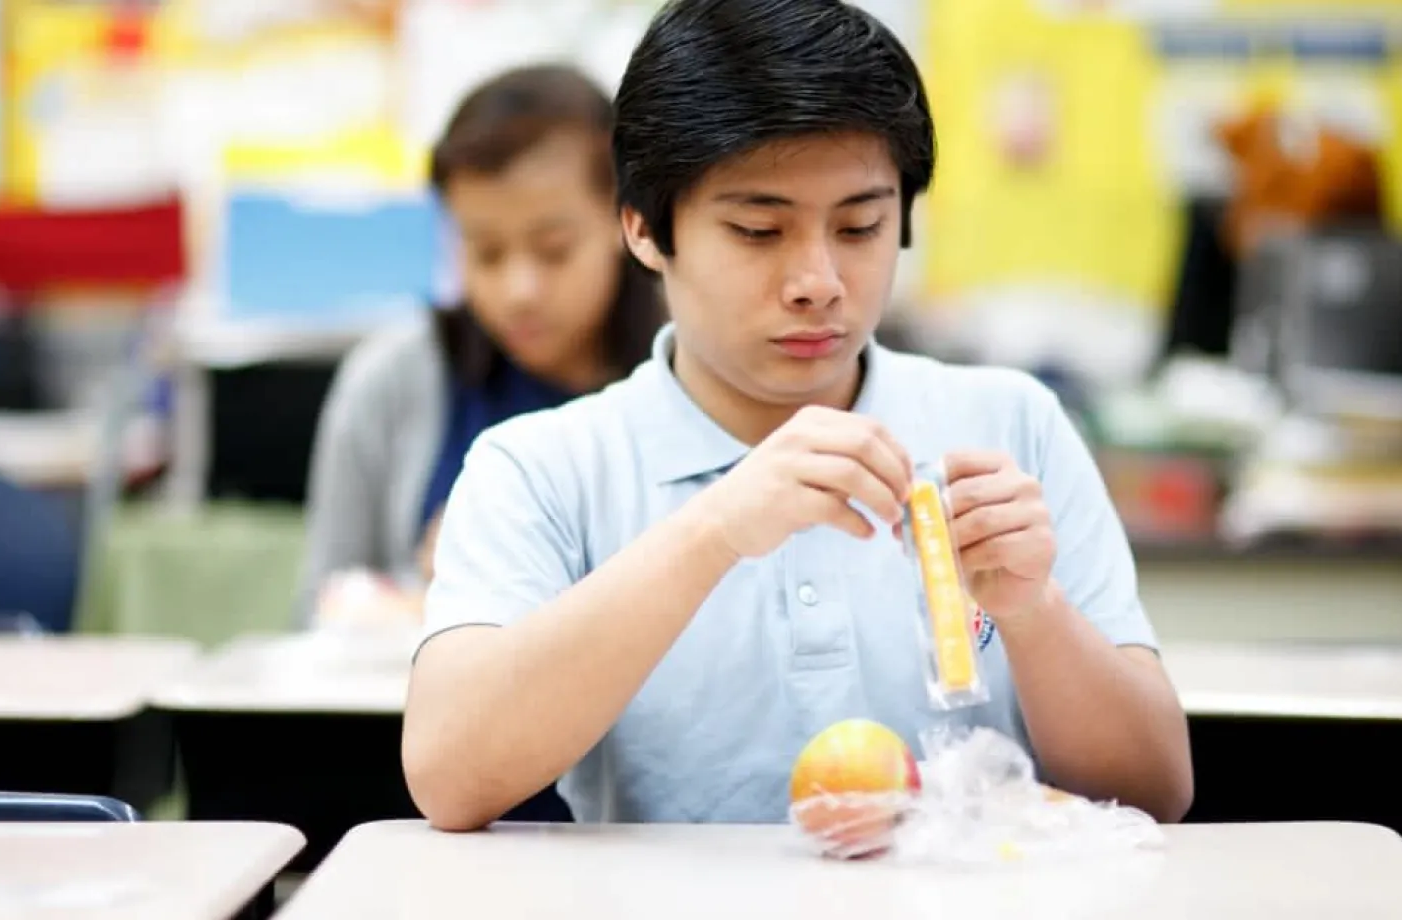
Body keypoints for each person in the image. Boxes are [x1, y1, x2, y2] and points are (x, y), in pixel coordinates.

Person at [404, 0, 1193, 831]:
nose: (818, 278)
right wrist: (712, 531)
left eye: (860, 225)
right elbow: (450, 777)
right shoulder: (541, 466)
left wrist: (1035, 614)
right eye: (757, 230)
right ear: (641, 228)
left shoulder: (1011, 424)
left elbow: (1156, 793)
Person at [297, 64, 661, 625]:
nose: (519, 291)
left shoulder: (694, 371)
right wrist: (429, 596)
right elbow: (323, 606)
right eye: (485, 253)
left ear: (626, 221)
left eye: (554, 250)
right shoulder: (391, 381)